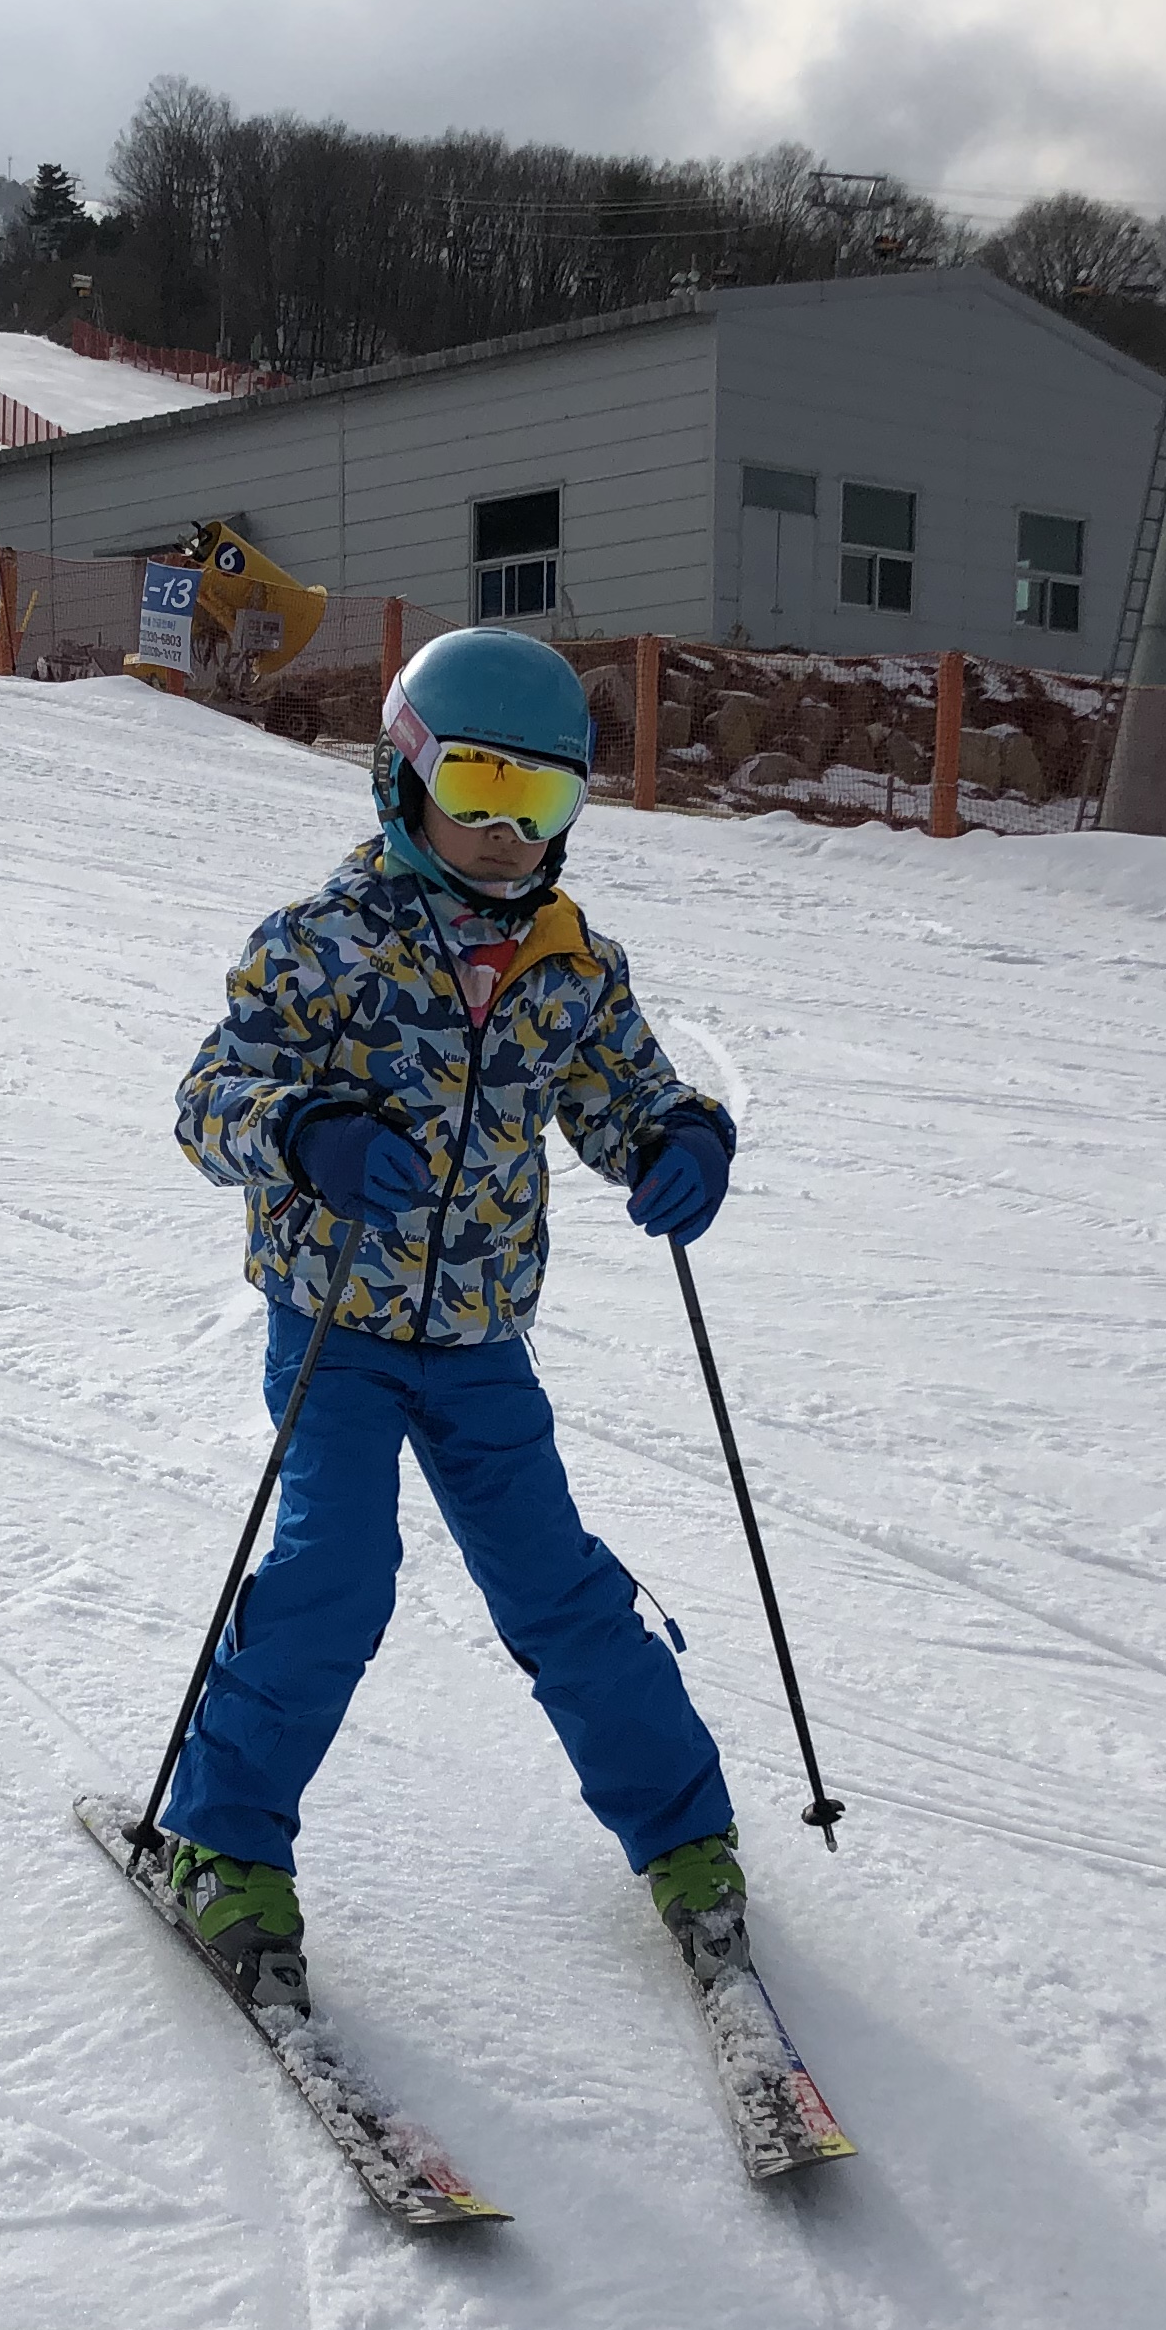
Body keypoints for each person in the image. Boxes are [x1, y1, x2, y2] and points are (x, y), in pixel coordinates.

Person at [158, 625, 746, 2000]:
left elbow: (627, 1094)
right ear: (403, 776)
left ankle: (684, 1835)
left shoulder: (571, 962)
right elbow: (208, 1101)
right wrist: (303, 1133)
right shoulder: (320, 944)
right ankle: (220, 1844)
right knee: (337, 1575)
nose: (503, 830)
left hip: (480, 1336)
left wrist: (681, 1141)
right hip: (337, 1326)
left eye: (538, 798)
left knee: (557, 1588)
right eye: (477, 786)